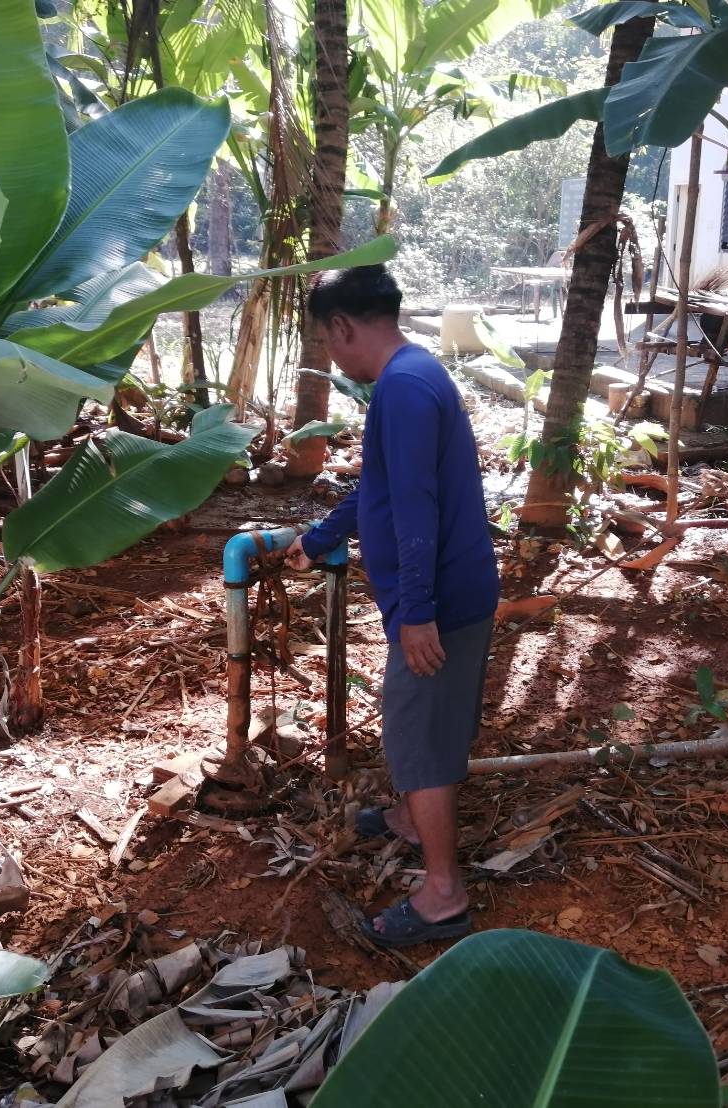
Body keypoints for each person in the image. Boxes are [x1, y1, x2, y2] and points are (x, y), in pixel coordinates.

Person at [285, 265, 500, 948]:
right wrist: (322, 536)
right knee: (426, 724)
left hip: (440, 598)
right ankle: (411, 821)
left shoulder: (403, 389)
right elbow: (380, 486)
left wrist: (415, 610)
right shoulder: (412, 374)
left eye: (327, 340)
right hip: (452, 588)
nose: (331, 354)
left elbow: (415, 510)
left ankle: (443, 895)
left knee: (419, 738)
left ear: (342, 326)